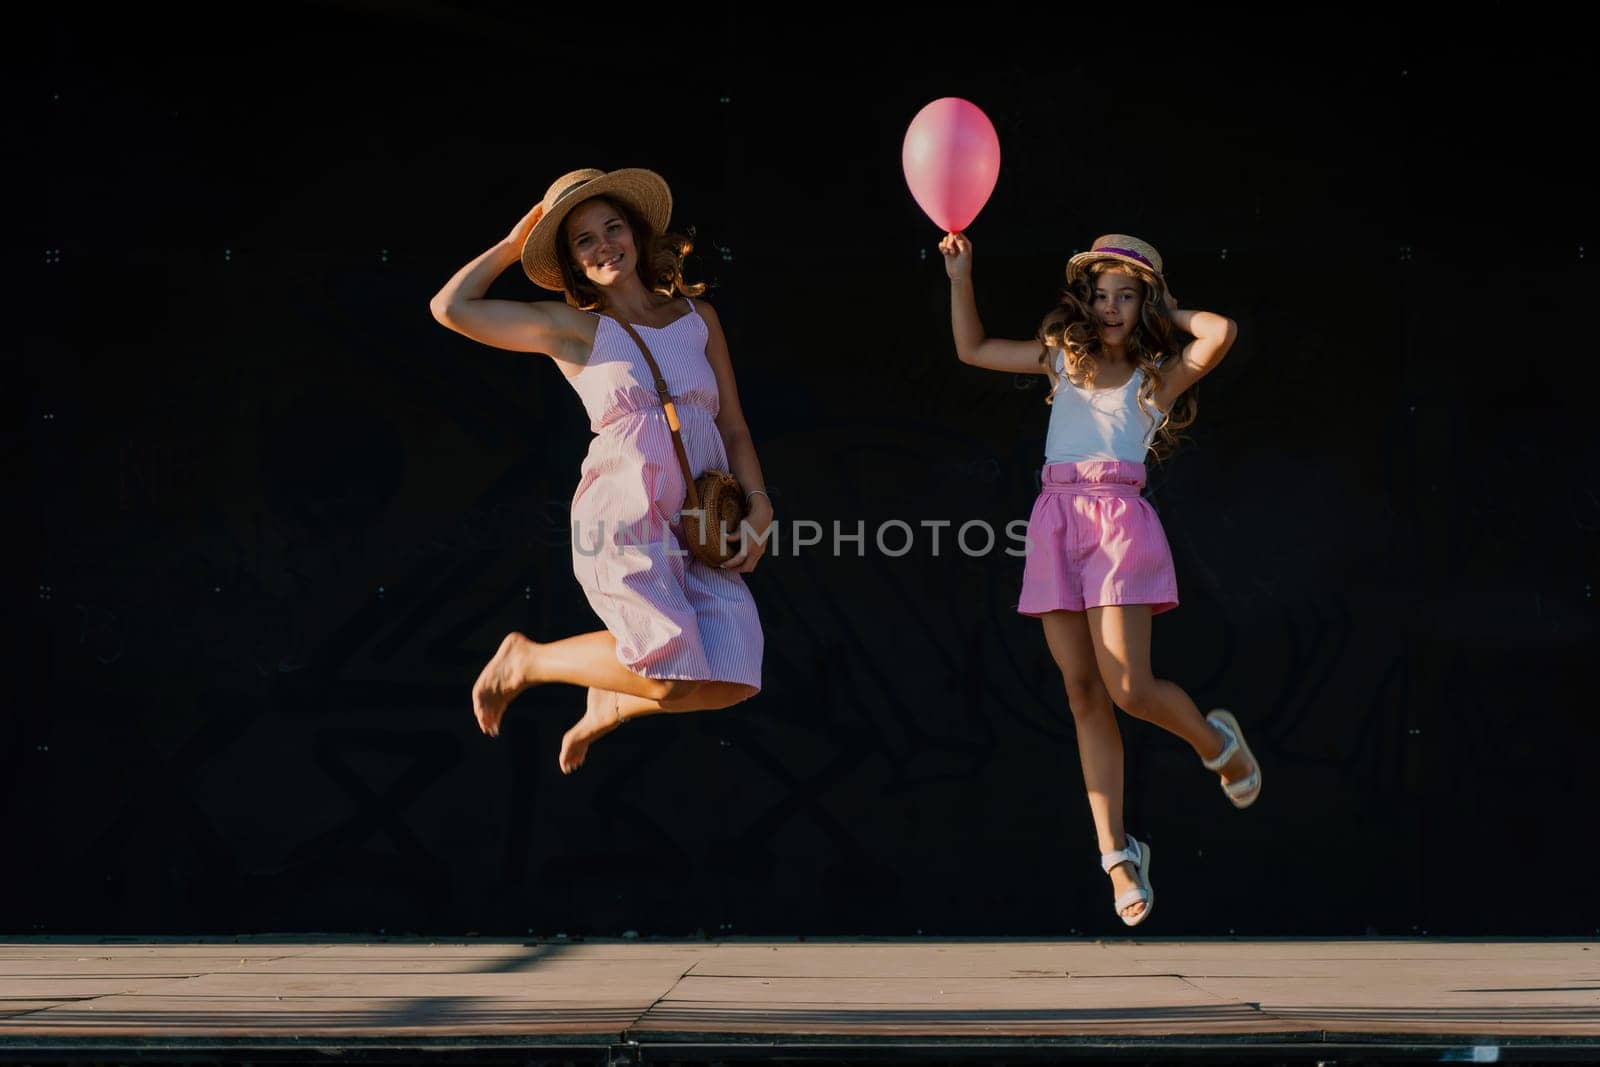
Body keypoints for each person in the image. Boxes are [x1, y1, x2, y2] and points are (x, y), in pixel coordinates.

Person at [938, 231, 1257, 926]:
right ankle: (1117, 854)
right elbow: (973, 349)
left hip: (1118, 524)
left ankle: (1218, 744)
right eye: (1101, 295)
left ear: (1143, 302)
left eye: (1126, 296)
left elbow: (1220, 330)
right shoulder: (1063, 360)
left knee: (1130, 687)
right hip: (1056, 520)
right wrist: (961, 274)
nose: (1111, 309)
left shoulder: (1156, 376)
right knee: (1084, 693)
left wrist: (1165, 307)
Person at [430, 167, 770, 774]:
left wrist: (760, 501)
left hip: (697, 516)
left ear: (637, 237)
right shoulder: (573, 330)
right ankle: (526, 661)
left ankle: (611, 700)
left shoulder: (698, 319)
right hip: (626, 513)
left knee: (732, 676)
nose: (604, 244)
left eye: (613, 227)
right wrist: (513, 246)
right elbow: (450, 308)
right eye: (584, 239)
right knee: (670, 672)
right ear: (571, 262)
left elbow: (735, 427)